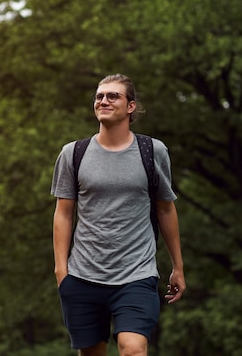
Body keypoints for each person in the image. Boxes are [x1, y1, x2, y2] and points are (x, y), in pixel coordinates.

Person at [51, 74, 186, 356]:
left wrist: (177, 266)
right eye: (99, 96)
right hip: (83, 275)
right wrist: (61, 270)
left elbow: (165, 207)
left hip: (136, 274)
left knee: (133, 348)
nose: (104, 100)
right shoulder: (73, 154)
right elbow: (64, 214)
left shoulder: (153, 151)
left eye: (113, 96)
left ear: (131, 106)